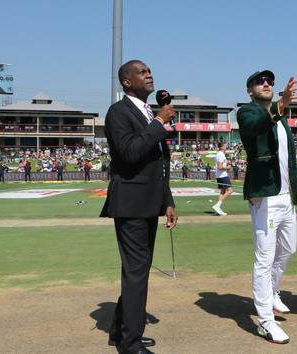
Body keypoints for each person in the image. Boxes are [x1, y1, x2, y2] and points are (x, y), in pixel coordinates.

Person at [100, 59, 178, 354]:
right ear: (126, 82)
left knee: (139, 270)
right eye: (142, 72)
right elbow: (131, 153)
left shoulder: (147, 112)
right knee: (136, 272)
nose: (149, 74)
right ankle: (130, 343)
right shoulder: (118, 112)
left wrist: (167, 202)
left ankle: (120, 331)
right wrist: (159, 123)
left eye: (150, 70)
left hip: (148, 203)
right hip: (130, 204)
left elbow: (158, 164)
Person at [236, 69, 297, 344]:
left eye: (270, 81)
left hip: (285, 196)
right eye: (260, 81)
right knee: (264, 259)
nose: (266, 84)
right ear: (249, 89)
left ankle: (272, 291)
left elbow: (287, 158)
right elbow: (257, 127)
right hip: (265, 197)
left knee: (289, 248)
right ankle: (265, 322)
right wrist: (281, 106)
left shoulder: (282, 121)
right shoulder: (247, 112)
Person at [212, 142, 233, 216]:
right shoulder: (220, 154)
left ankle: (217, 209)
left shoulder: (220, 154)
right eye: (225, 145)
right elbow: (220, 167)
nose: (226, 146)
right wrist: (228, 167)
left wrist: (227, 168)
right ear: (221, 147)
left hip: (219, 175)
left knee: (222, 192)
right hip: (222, 176)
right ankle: (217, 206)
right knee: (230, 190)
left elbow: (221, 166)